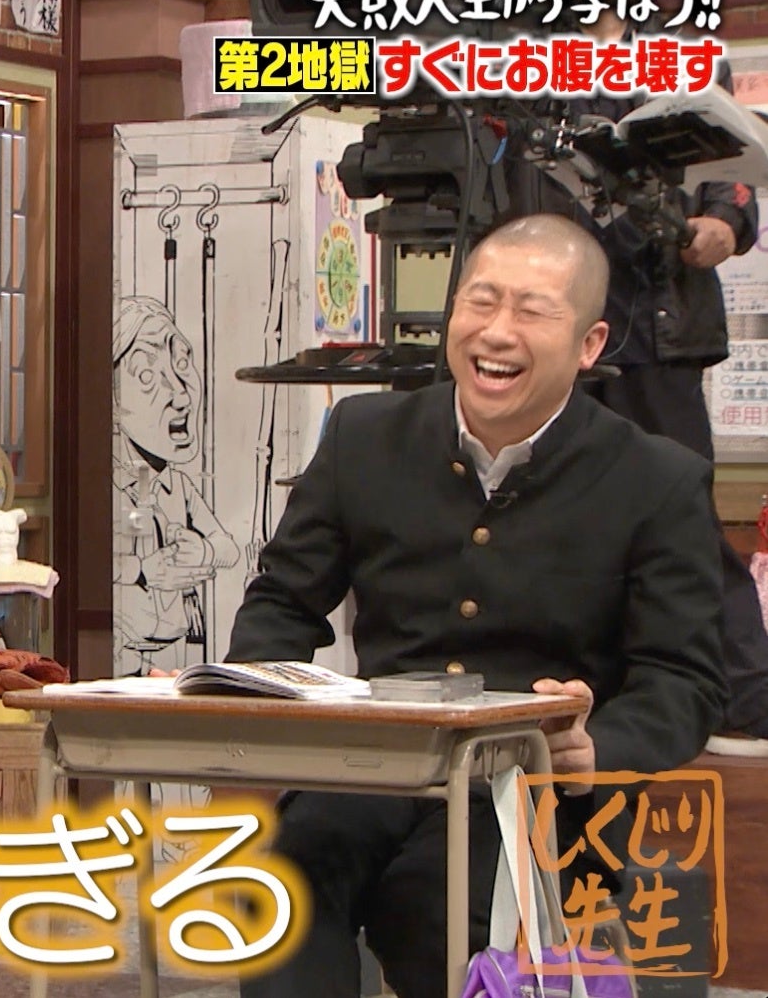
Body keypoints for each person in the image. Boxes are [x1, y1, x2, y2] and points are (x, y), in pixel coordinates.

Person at [227, 214, 727, 998]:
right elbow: (284, 601)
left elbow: (685, 680)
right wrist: (248, 699)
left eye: (532, 311)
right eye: (480, 302)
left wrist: (597, 745)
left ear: (590, 344)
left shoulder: (658, 479)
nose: (496, 333)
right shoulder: (364, 435)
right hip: (375, 769)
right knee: (280, 889)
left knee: (435, 907)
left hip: (537, 793)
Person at [540, 0, 768, 752]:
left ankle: (746, 701)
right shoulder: (520, 51)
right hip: (556, 323)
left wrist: (724, 225)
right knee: (555, 518)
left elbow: (732, 171)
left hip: (658, 325)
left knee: (685, 517)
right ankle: (581, 699)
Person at [111, 296, 240, 672]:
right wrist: (144, 570)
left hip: (177, 654)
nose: (181, 395)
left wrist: (202, 552)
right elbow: (87, 567)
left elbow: (228, 548)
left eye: (182, 363)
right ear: (112, 399)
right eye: (147, 376)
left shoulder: (176, 486)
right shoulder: (108, 485)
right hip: (120, 655)